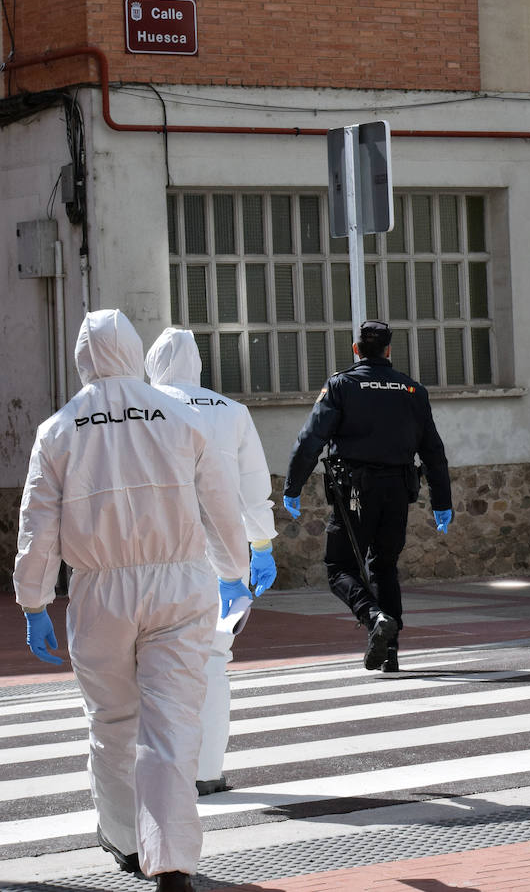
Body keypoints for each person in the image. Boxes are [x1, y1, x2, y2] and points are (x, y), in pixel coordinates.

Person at [14, 309, 250, 892]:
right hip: (180, 584)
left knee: (114, 723)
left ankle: (123, 841)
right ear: (134, 351)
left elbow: (37, 528)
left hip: (100, 592)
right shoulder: (178, 415)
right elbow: (219, 504)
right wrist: (234, 570)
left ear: (82, 357)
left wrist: (34, 602)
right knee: (171, 726)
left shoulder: (60, 429)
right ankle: (171, 860)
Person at [145, 327, 278, 796]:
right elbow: (252, 484)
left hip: (157, 555)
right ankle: (207, 771)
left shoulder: (140, 407)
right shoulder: (233, 411)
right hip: (223, 554)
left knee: (155, 662)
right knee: (214, 662)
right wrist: (261, 544)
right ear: (198, 364)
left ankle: (163, 768)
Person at [284, 320, 453, 673]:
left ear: (356, 350)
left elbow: (310, 440)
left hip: (354, 493)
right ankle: (390, 650)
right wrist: (442, 502)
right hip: (397, 490)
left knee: (339, 567)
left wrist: (293, 486)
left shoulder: (342, 385)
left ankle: (373, 616)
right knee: (384, 566)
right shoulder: (413, 390)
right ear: (389, 350)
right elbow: (433, 451)